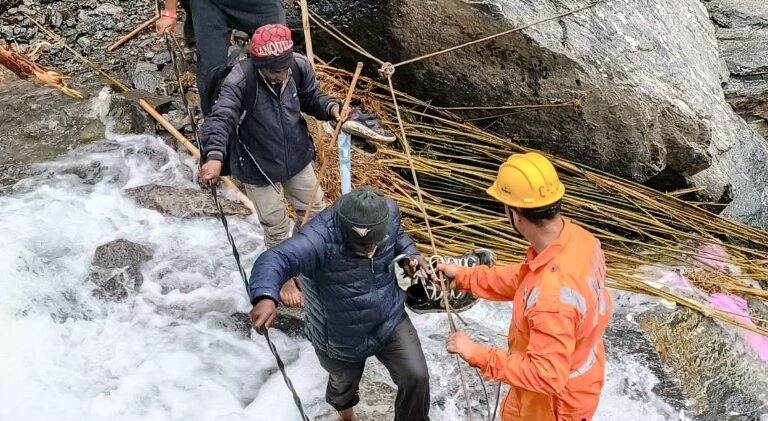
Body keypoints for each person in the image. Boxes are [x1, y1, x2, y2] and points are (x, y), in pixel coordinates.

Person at [437, 152, 614, 421]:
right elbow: (525, 279)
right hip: (578, 378)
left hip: (553, 405)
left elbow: (545, 376)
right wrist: (465, 277)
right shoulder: (580, 239)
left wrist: (476, 353)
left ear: (515, 213)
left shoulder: (551, 300)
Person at [249, 187, 431, 421]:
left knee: (416, 376)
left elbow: (399, 236)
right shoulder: (316, 238)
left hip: (389, 317)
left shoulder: (389, 211)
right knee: (343, 384)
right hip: (338, 332)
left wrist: (410, 255)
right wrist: (265, 296)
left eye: (375, 243)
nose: (370, 251)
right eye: (360, 246)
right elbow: (276, 258)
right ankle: (346, 416)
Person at [198, 24, 340, 307]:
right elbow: (221, 118)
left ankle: (305, 260)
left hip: (297, 157)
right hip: (255, 165)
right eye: (274, 71)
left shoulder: (297, 66)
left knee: (314, 213)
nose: (280, 74)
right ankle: (285, 275)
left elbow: (312, 97)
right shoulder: (239, 80)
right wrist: (214, 157)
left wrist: (332, 109)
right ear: (259, 64)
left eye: (283, 68)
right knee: (276, 224)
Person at [156, 0, 286, 115]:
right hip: (210, 5)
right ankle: (215, 130)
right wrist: (170, 12)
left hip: (261, 4)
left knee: (278, 61)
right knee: (210, 78)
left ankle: (280, 120)